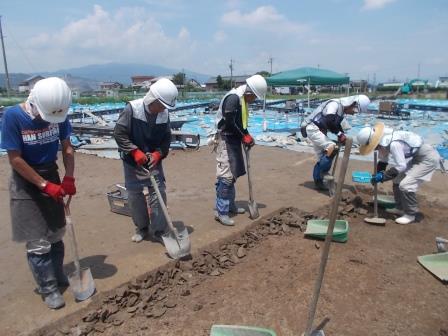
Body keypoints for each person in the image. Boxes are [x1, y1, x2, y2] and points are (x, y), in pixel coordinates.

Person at [0, 77, 75, 309]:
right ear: (34, 102)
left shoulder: (58, 112)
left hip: (51, 172)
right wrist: (43, 185)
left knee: (56, 233)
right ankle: (48, 287)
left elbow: (67, 147)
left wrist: (69, 176)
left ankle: (58, 273)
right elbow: (15, 159)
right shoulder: (14, 117)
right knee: (37, 241)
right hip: (26, 182)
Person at [113, 78, 178, 243]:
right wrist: (134, 151)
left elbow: (166, 139)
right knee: (135, 195)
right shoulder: (132, 109)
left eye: (165, 106)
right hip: (132, 161)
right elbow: (119, 134)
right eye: (161, 105)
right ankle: (142, 228)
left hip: (152, 161)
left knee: (158, 192)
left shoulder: (164, 114)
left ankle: (158, 230)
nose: (163, 109)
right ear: (153, 99)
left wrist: (158, 154)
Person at [356, 122, 440, 224]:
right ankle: (400, 208)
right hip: (416, 157)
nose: (374, 148)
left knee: (406, 185)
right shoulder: (384, 140)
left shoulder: (393, 143)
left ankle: (410, 214)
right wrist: (378, 174)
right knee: (397, 180)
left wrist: (383, 176)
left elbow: (401, 166)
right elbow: (383, 160)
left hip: (427, 159)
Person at [213, 74, 267, 226]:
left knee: (233, 175)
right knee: (226, 177)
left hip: (233, 139)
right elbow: (230, 123)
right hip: (225, 139)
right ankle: (221, 211)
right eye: (255, 97)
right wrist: (244, 136)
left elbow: (240, 123)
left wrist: (247, 135)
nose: (254, 100)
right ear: (250, 93)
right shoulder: (234, 98)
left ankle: (230, 205)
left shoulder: (242, 99)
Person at [301, 95, 370, 190]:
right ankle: (323, 172)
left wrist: (342, 135)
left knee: (322, 157)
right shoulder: (334, 104)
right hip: (313, 128)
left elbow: (336, 125)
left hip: (319, 130)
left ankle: (318, 181)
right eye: (355, 111)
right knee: (332, 147)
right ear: (352, 104)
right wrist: (340, 135)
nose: (354, 114)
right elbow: (329, 121)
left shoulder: (341, 111)